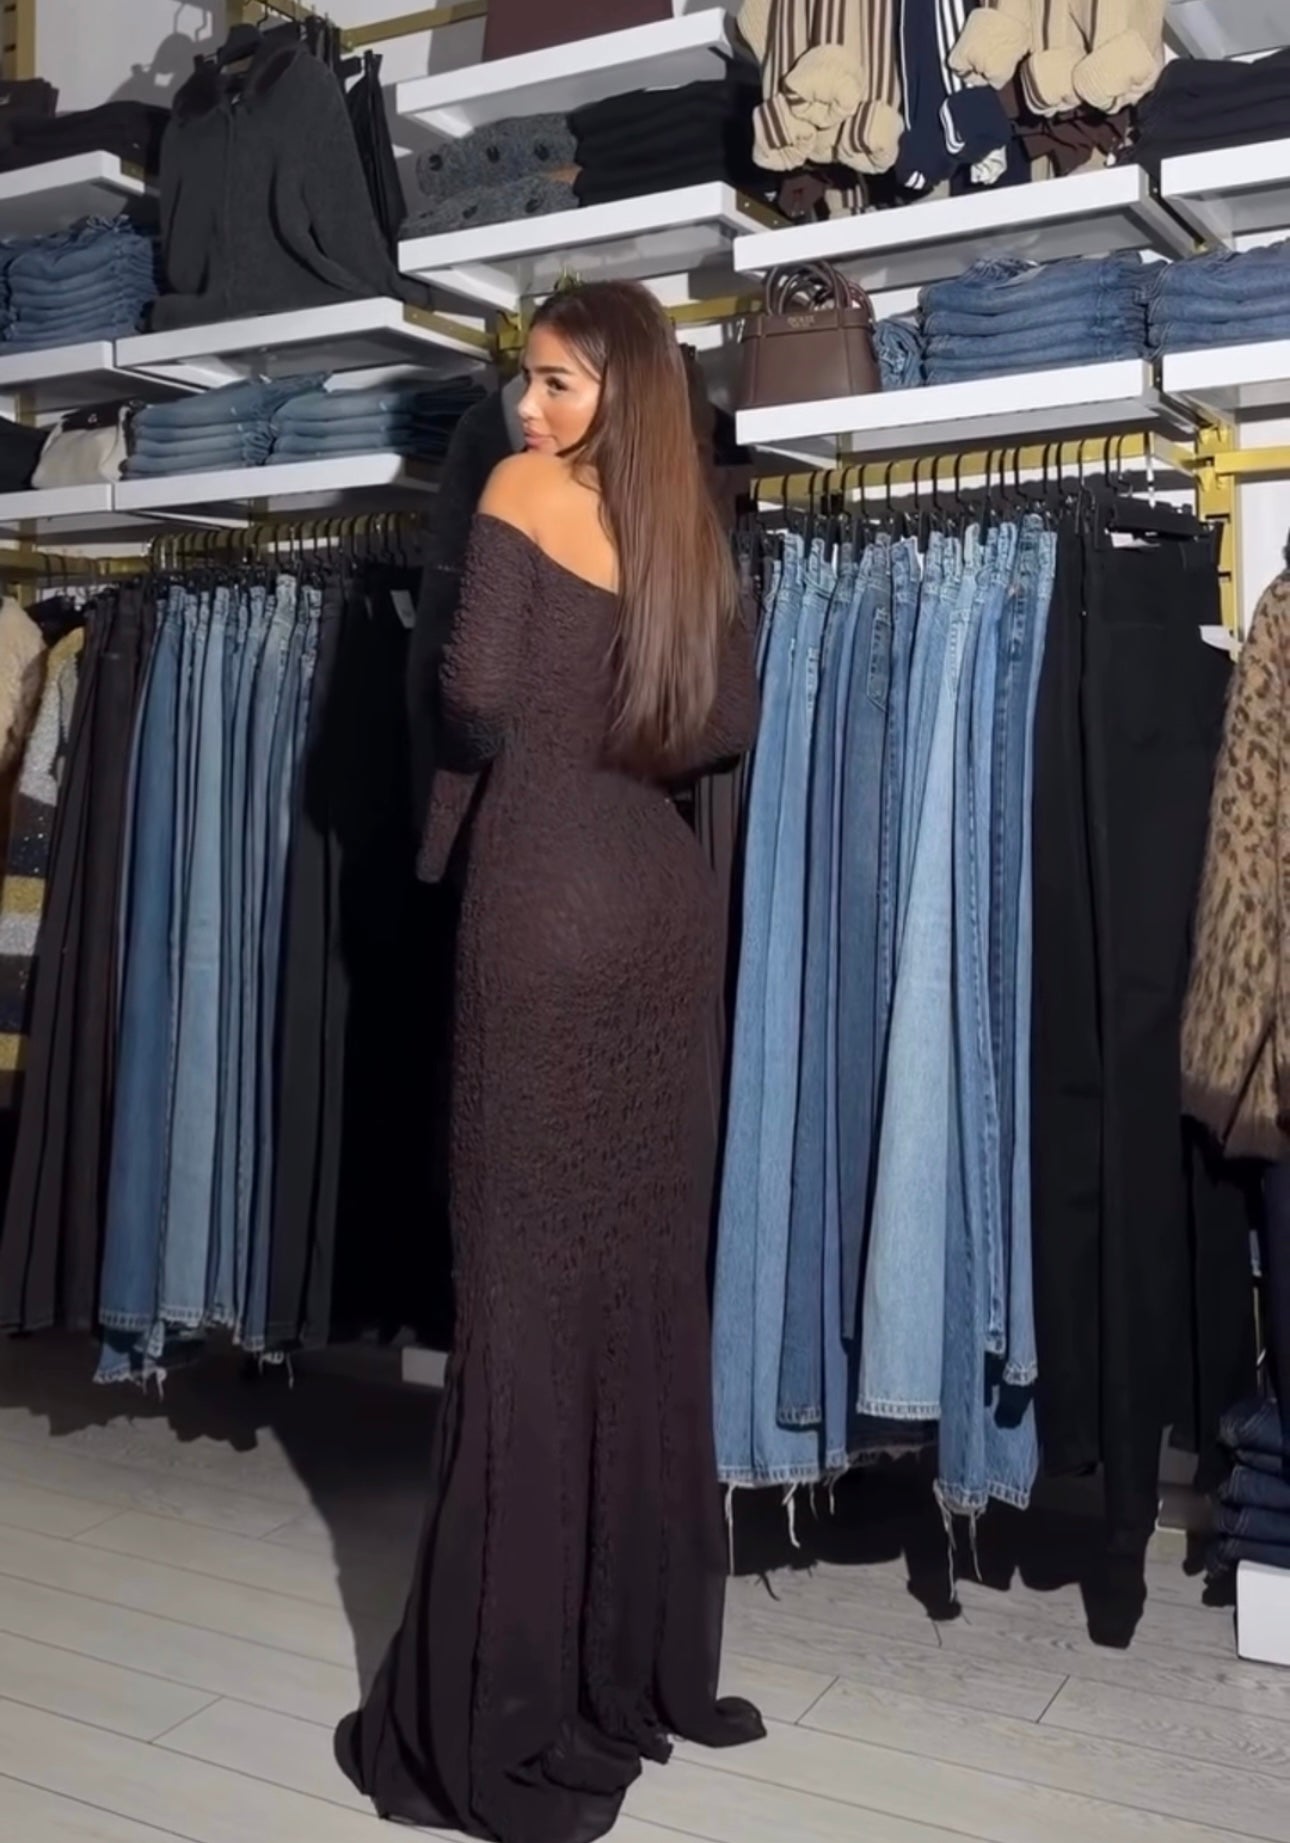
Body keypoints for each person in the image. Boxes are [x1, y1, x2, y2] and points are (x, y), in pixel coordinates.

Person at [336, 279, 765, 1842]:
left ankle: (504, 1704)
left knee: (520, 1299)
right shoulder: (684, 528)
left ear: (617, 391)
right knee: (633, 1292)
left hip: (547, 904)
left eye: (558, 382)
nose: (526, 409)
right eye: (523, 383)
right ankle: (624, 1661)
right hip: (659, 904)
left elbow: (472, 697)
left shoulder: (521, 496)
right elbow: (720, 724)